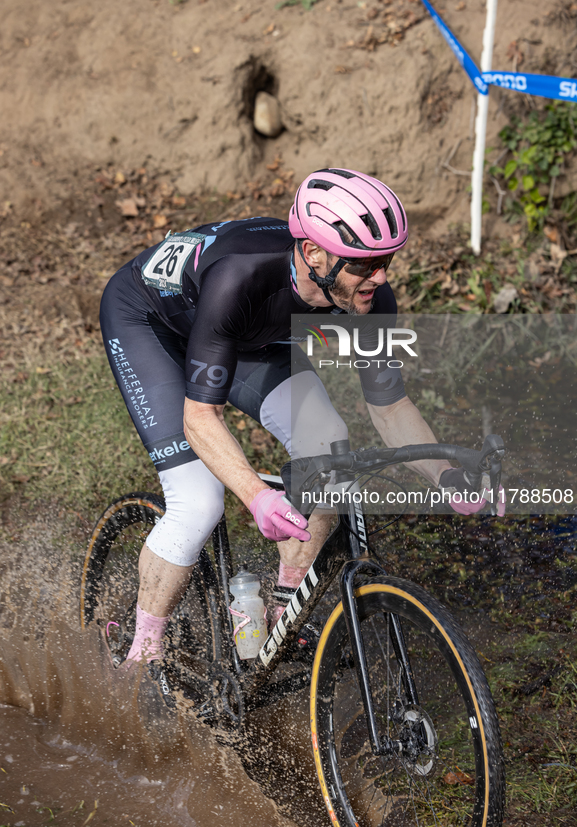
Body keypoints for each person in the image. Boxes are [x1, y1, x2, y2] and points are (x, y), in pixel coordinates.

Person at [99, 168, 489, 670]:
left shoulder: (370, 300)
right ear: (314, 254)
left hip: (248, 337)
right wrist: (256, 495)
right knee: (199, 503)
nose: (382, 277)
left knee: (328, 446)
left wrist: (445, 475)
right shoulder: (241, 275)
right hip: (151, 324)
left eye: (387, 261)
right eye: (366, 265)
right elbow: (201, 417)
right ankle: (141, 658)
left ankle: (280, 622)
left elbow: (390, 406)